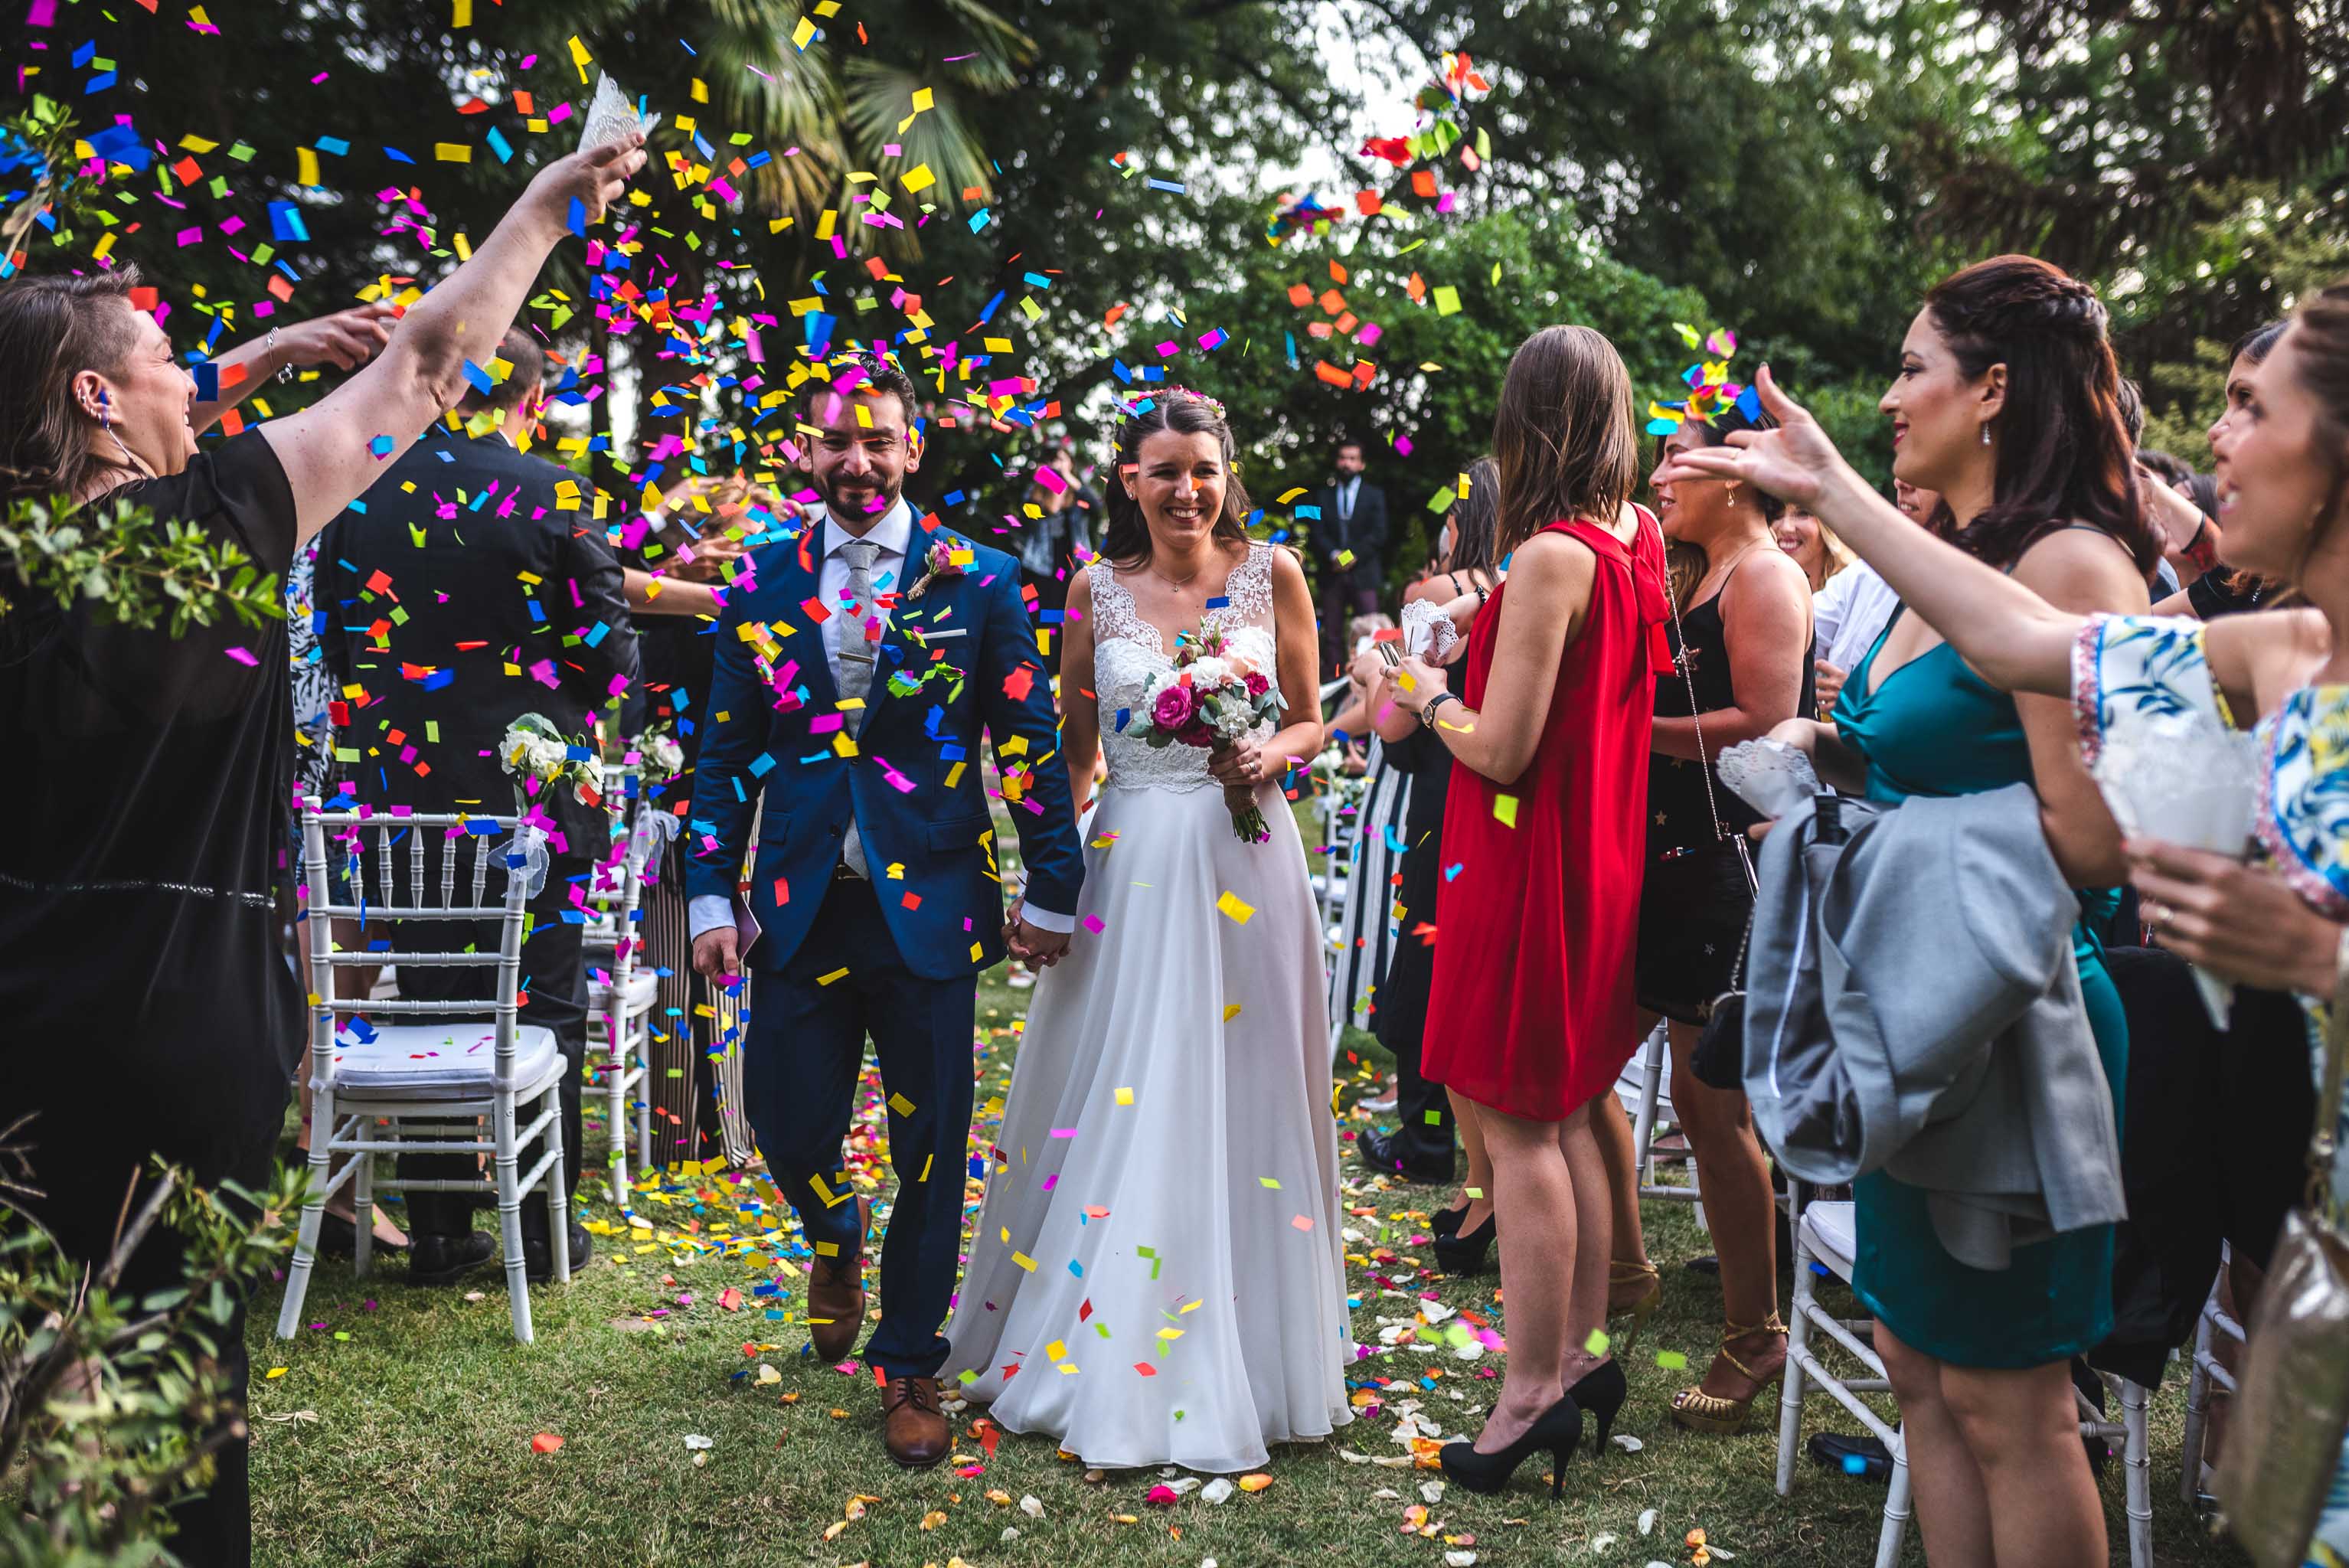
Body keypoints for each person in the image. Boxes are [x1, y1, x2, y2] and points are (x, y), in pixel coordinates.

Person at [0, 135, 647, 1568]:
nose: (203, 372)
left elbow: (108, 406)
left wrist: (259, 351)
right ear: (100, 397)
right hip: (179, 1026)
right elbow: (424, 366)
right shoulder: (218, 520)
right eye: (175, 352)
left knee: (40, 1393)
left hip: (21, 1025)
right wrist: (548, 205)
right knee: (173, 1407)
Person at [1668, 270, 2349, 1568]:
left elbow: (2086, 825)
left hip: (2010, 1010)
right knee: (1926, 1369)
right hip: (1946, 1013)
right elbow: (2030, 645)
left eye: (2249, 407)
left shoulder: (2105, 566)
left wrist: (2318, 954)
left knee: (2014, 1404)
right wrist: (1829, 504)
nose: (2208, 440)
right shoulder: (2278, 646)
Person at [686, 351, 1084, 1470]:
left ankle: (910, 1364)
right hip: (799, 909)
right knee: (783, 1117)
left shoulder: (984, 579)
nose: (857, 461)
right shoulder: (760, 582)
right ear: (807, 451)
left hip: (933, 911)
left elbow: (1029, 742)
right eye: (835, 442)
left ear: (915, 449)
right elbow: (721, 759)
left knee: (931, 1144)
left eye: (879, 442)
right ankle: (832, 1231)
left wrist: (1054, 884)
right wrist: (712, 891)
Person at [943, 387, 1352, 1473]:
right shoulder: (1094, 591)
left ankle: (1255, 1357)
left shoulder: (1276, 576)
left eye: (1204, 469)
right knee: (1125, 1080)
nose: (1187, 490)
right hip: (1132, 861)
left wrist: (1274, 755)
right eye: (1164, 470)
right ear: (1129, 481)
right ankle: (1104, 1335)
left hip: (1248, 855)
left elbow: (1314, 714)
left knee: (1244, 1079)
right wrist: (1053, 879)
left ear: (1229, 475)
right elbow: (1073, 747)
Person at [1390, 325, 1667, 1495]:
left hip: (1528, 860)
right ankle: (1585, 1357)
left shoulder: (1555, 551)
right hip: (1598, 855)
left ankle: (1532, 1391)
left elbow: (1500, 752)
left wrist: (1421, 689)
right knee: (1566, 1111)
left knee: (1517, 1131)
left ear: (1526, 423)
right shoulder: (1635, 533)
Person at [317, 325, 642, 1285]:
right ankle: (542, 1233)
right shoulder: (557, 495)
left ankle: (443, 1231)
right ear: (531, 399)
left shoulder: (357, 497)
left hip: (396, 814)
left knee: (422, 1005)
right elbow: (613, 657)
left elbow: (337, 650)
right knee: (544, 1007)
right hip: (533, 810)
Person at [1600, 402, 1816, 1432]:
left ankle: (1755, 1334)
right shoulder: (1695, 574)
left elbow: (1769, 724)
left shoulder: (1766, 574)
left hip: (1719, 865)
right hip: (1659, 857)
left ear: (1735, 476)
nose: (1658, 481)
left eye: (1676, 465)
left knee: (1712, 1113)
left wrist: (1624, 732)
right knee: (1601, 1070)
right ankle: (1622, 1267)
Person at [1357, 458, 1503, 1200]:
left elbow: (1392, 731)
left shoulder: (1437, 599)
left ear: (1460, 521)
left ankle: (1423, 1135)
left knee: (1423, 960)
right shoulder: (1525, 598)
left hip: (1443, 802)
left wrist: (1380, 669)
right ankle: (1461, 1139)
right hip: (1506, 814)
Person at [1011, 446, 1096, 675]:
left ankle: (1066, 674)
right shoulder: (1037, 491)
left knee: (1069, 620)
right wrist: (1050, 480)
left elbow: (1096, 505)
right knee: (1043, 621)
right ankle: (1043, 672)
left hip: (1071, 568)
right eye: (1053, 460)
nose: (1057, 464)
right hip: (1041, 568)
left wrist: (1068, 477)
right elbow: (1029, 515)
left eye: (1061, 459)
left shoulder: (1077, 493)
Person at [1309, 437, 1389, 671]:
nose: (1347, 463)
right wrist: (1335, 555)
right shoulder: (1322, 496)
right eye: (1343, 458)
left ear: (1361, 464)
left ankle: (1372, 676)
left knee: (1372, 631)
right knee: (1333, 634)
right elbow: (1317, 532)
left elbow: (1379, 533)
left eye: (1353, 459)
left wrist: (1351, 557)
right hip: (1331, 574)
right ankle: (1336, 683)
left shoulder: (1374, 495)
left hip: (1364, 573)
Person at [1774, 503, 1853, 593]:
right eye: (1776, 514)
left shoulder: (1854, 585)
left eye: (1802, 514)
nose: (1786, 528)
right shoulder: (1761, 590)